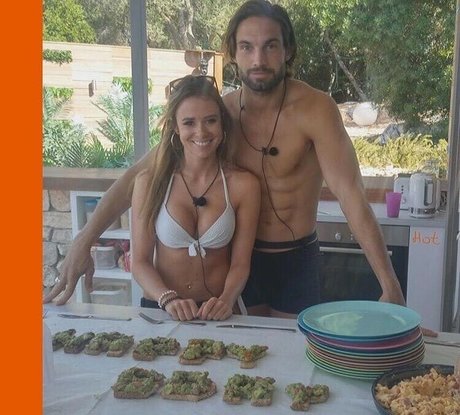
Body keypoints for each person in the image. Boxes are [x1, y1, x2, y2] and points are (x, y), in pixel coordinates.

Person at [45, 0, 404, 319]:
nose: (258, 60)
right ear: (233, 52)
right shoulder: (220, 116)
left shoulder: (316, 110)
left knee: (292, 358)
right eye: (247, 47)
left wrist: (390, 286)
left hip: (295, 259)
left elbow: (351, 194)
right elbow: (138, 175)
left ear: (288, 51)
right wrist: (84, 240)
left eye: (270, 46)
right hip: (238, 263)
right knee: (243, 360)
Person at [130, 75, 260, 321]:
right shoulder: (149, 182)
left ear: (222, 124)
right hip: (161, 307)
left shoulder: (244, 185)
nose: (201, 132)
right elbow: (140, 262)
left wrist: (226, 300)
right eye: (189, 122)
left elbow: (240, 263)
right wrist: (168, 299)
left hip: (217, 311)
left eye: (210, 120)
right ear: (175, 127)